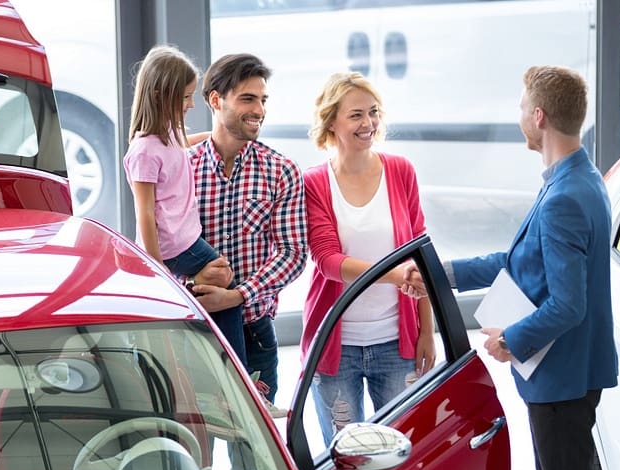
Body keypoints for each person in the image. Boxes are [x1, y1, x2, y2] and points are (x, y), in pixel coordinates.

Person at [405, 65, 618, 470]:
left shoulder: (567, 196)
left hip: (561, 377)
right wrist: (445, 272)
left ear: (540, 118)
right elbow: (519, 262)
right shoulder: (575, 178)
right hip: (568, 374)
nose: (520, 115)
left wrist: (510, 341)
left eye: (524, 106)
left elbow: (568, 304)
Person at [300, 72, 434, 444]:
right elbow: (327, 259)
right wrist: (396, 276)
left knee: (402, 451)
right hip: (335, 348)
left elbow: (419, 254)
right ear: (331, 122)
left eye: (373, 112)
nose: (368, 123)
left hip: (396, 341)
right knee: (347, 459)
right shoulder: (313, 182)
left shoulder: (401, 170)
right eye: (356, 114)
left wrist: (427, 329)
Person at [187, 53, 308, 415]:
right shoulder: (182, 168)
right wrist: (190, 281)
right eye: (247, 98)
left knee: (254, 455)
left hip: (255, 333)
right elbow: (156, 249)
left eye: (263, 99)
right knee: (195, 442)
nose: (259, 110)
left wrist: (238, 295)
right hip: (193, 331)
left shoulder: (280, 170)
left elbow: (292, 254)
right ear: (215, 100)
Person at [122, 45, 245, 362]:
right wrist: (156, 264)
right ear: (164, 95)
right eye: (186, 97)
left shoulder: (169, 132)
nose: (191, 104)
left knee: (218, 287)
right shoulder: (144, 151)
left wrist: (219, 135)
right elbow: (145, 212)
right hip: (174, 246)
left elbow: (180, 146)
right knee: (229, 292)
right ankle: (239, 372)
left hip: (186, 237)